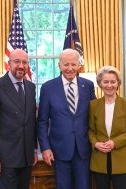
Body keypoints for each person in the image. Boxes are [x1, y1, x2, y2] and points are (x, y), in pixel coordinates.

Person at [37, 48, 96, 189]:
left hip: (83, 149)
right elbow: (42, 122)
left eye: (73, 64)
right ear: (59, 65)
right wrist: (45, 148)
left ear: (78, 65)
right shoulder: (48, 88)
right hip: (59, 150)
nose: (70, 68)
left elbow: (95, 115)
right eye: (66, 64)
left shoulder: (88, 85)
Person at [0, 48, 38, 189]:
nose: (21, 66)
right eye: (17, 61)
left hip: (27, 157)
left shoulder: (30, 87)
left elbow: (31, 121)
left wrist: (34, 149)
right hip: (5, 159)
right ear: (8, 64)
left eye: (25, 62)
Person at [88, 66, 126, 189]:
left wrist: (114, 143)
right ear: (100, 83)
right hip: (99, 160)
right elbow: (91, 130)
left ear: (118, 83)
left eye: (113, 82)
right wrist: (95, 144)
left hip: (123, 161)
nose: (109, 85)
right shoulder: (93, 105)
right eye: (105, 82)